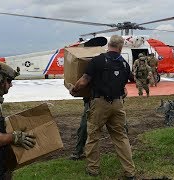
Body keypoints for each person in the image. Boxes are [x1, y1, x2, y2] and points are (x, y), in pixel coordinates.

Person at [70, 35, 136, 179]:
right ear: (120, 47)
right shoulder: (125, 64)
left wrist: (74, 90)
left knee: (93, 136)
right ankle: (129, 171)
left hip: (100, 104)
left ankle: (93, 169)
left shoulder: (98, 60)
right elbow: (125, 85)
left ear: (109, 45)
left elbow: (84, 81)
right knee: (121, 137)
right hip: (118, 104)